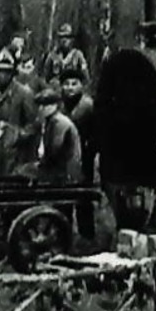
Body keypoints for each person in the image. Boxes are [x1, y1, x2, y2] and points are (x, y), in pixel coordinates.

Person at [0, 50, 38, 177]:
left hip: (17, 155)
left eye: (3, 71)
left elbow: (33, 126)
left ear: (11, 73)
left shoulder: (23, 93)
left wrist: (12, 132)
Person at [59, 68, 99, 238]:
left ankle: (87, 236)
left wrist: (90, 150)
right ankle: (64, 234)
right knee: (63, 199)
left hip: (84, 158)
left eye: (74, 84)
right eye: (66, 84)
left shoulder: (88, 106)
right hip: (63, 158)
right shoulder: (60, 106)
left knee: (83, 199)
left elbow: (97, 134)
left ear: (82, 86)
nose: (70, 88)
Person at [31, 86, 82, 185]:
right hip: (58, 171)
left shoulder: (59, 122)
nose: (41, 109)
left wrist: (39, 166)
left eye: (45, 105)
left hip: (66, 174)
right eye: (40, 105)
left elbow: (54, 150)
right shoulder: (49, 121)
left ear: (54, 105)